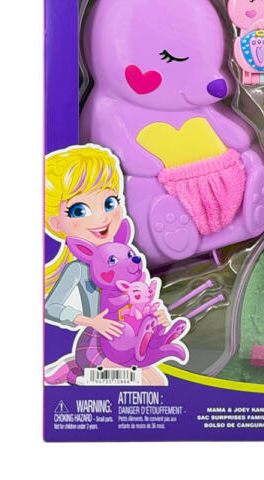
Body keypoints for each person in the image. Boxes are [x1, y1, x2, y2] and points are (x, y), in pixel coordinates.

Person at [44, 144, 170, 385]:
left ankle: (75, 371)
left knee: (157, 383)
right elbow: (51, 307)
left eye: (110, 203)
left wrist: (157, 316)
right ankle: (76, 371)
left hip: (131, 339)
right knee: (148, 382)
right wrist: (92, 322)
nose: (102, 217)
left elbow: (140, 299)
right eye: (80, 210)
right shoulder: (79, 269)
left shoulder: (127, 256)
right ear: (56, 223)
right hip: (99, 342)